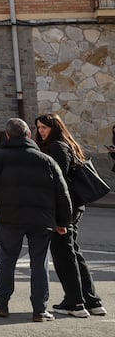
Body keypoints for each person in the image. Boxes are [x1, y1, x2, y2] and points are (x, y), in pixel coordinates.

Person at [0, 117, 72, 323]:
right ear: (29, 135)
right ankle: (39, 310)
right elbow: (62, 194)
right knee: (39, 264)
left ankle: (2, 304)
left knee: (6, 260)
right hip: (41, 220)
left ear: (8, 135)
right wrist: (63, 222)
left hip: (9, 219)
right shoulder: (46, 160)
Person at [35, 112, 105, 317]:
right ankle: (92, 301)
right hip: (71, 206)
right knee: (72, 252)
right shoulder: (66, 144)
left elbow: (59, 183)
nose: (40, 131)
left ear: (54, 127)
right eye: (38, 127)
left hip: (65, 208)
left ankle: (75, 303)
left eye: (44, 128)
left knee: (64, 255)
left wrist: (60, 217)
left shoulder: (58, 147)